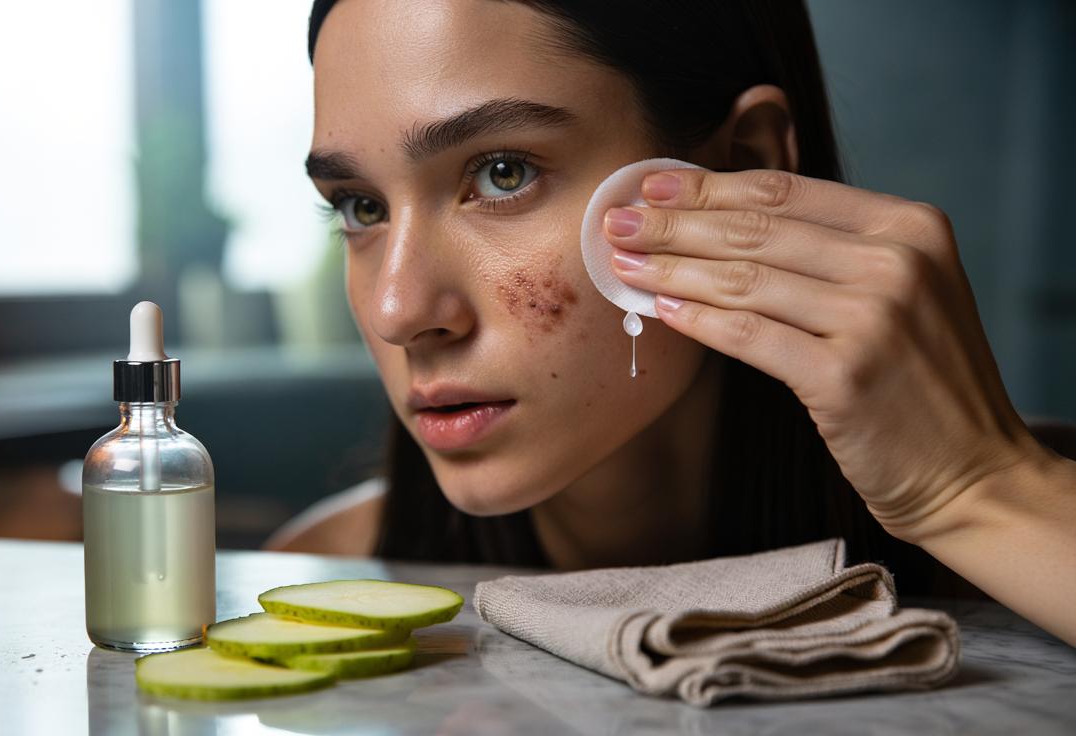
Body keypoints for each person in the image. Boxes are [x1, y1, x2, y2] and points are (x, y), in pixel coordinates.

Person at [264, 0, 1076, 645]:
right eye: (360, 206)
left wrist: (977, 492)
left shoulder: (1028, 531)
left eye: (502, 173)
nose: (398, 310)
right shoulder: (319, 576)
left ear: (745, 165)